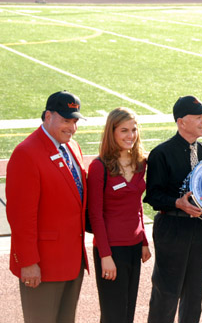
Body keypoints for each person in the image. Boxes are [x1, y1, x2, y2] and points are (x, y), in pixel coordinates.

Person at [6, 91, 88, 323]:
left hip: (72, 261)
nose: (72, 127)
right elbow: (21, 216)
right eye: (65, 120)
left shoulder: (73, 147)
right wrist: (28, 262)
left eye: (75, 121)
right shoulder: (26, 153)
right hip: (43, 265)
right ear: (48, 116)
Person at [145, 96, 202, 323]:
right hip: (172, 228)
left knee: (194, 292)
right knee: (166, 291)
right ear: (181, 121)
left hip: (199, 228)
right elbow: (153, 196)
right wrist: (178, 202)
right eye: (198, 117)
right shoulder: (161, 153)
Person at [88, 108, 151, 323]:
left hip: (134, 247)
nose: (130, 135)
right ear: (112, 132)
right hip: (111, 250)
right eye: (124, 130)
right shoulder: (99, 167)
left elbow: (137, 206)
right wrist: (105, 256)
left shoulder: (141, 163)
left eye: (133, 130)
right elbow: (95, 215)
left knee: (127, 312)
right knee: (113, 314)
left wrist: (143, 240)